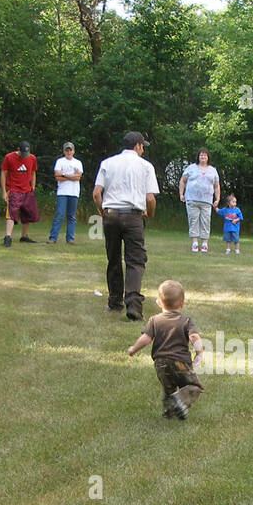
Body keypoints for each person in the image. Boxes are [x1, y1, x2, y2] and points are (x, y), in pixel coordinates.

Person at [93, 131, 159, 321]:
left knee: (113, 258)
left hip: (111, 215)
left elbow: (97, 193)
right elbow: (150, 198)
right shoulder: (145, 166)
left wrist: (102, 212)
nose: (143, 149)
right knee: (135, 261)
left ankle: (114, 302)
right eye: (143, 146)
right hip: (134, 216)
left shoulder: (107, 163)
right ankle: (134, 306)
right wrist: (150, 214)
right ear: (138, 146)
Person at [126, 279, 204, 420]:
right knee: (194, 386)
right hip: (180, 363)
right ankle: (179, 400)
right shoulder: (186, 321)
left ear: (159, 303)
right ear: (182, 303)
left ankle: (168, 412)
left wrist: (133, 349)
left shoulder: (154, 320)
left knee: (168, 389)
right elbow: (193, 336)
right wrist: (199, 351)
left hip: (160, 364)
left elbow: (146, 338)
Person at [179, 148, 220, 254]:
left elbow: (216, 186)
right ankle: (195, 243)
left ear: (208, 157)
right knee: (193, 220)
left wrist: (217, 198)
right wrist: (181, 194)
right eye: (201, 155)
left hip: (207, 201)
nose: (203, 157)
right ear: (198, 157)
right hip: (192, 199)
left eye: (205, 155)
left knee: (206, 221)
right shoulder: (191, 168)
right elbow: (182, 181)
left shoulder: (212, 170)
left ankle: (205, 244)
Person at [0, 141, 38, 246]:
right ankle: (7, 237)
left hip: (27, 190)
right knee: (11, 213)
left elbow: (33, 173)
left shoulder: (32, 158)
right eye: (23, 153)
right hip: (13, 189)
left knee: (28, 213)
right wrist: (4, 192)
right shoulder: (9, 157)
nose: (25, 156)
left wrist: (32, 187)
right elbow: (3, 174)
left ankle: (24, 236)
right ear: (18, 150)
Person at [48, 141, 83, 244]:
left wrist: (64, 175)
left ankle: (70, 238)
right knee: (59, 214)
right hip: (62, 192)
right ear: (64, 151)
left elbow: (78, 177)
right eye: (67, 150)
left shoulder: (78, 163)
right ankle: (53, 237)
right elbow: (57, 176)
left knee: (71, 216)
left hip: (74, 192)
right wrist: (70, 175)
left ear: (73, 151)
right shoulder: (60, 161)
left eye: (70, 150)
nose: (68, 152)